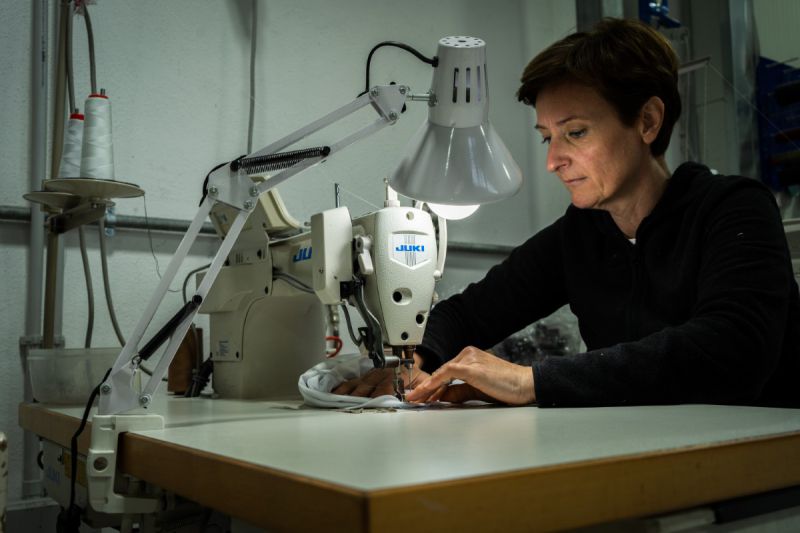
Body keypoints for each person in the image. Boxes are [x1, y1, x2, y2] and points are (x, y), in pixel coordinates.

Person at [334, 18, 800, 407]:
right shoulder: (584, 233)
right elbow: (469, 313)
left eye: (575, 133)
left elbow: (733, 349)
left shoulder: (733, 208)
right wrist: (415, 360)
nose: (553, 161)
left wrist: (532, 381)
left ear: (647, 121)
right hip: (641, 448)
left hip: (757, 456)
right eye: (547, 137)